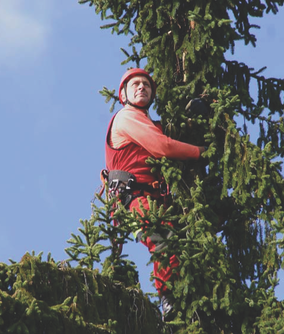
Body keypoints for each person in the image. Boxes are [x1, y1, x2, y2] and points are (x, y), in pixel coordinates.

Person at [103, 68, 205, 316]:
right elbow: (162, 146)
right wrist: (200, 152)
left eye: (146, 85)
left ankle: (185, 295)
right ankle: (168, 299)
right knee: (161, 237)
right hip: (135, 197)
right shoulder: (126, 117)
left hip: (154, 197)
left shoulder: (148, 123)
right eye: (135, 84)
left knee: (176, 240)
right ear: (123, 95)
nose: (141, 87)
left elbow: (165, 135)